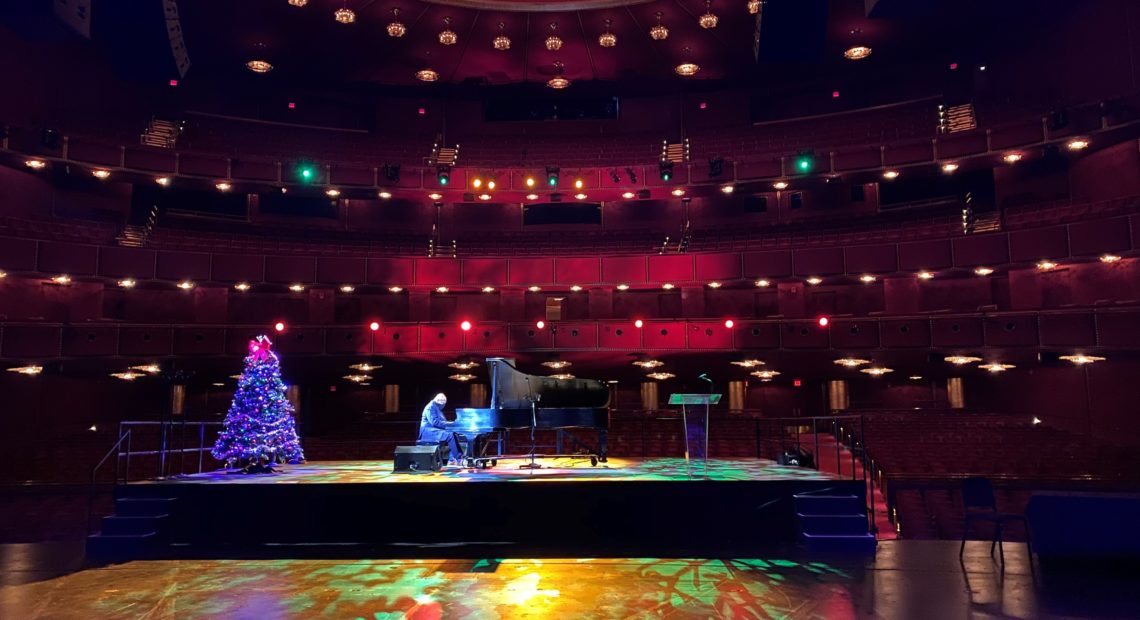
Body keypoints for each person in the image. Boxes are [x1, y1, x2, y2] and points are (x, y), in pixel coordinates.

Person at [418, 393, 463, 465]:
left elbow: (442, 421)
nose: (444, 405)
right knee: (449, 435)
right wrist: (450, 424)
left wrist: (450, 424)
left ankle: (452, 459)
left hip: (434, 430)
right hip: (428, 431)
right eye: (443, 403)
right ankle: (458, 459)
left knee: (453, 433)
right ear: (440, 401)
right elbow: (434, 422)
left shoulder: (436, 407)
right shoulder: (431, 407)